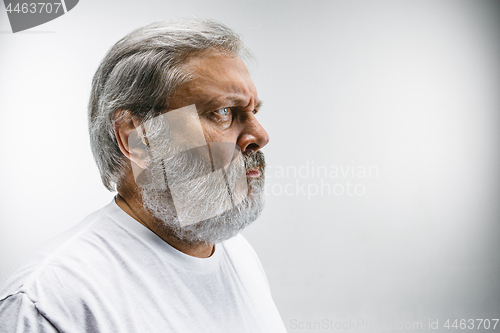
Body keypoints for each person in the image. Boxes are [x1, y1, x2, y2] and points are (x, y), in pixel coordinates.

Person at [0, 19, 286, 332]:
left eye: (253, 111)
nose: (260, 135)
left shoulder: (237, 252)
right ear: (137, 137)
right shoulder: (51, 302)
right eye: (222, 112)